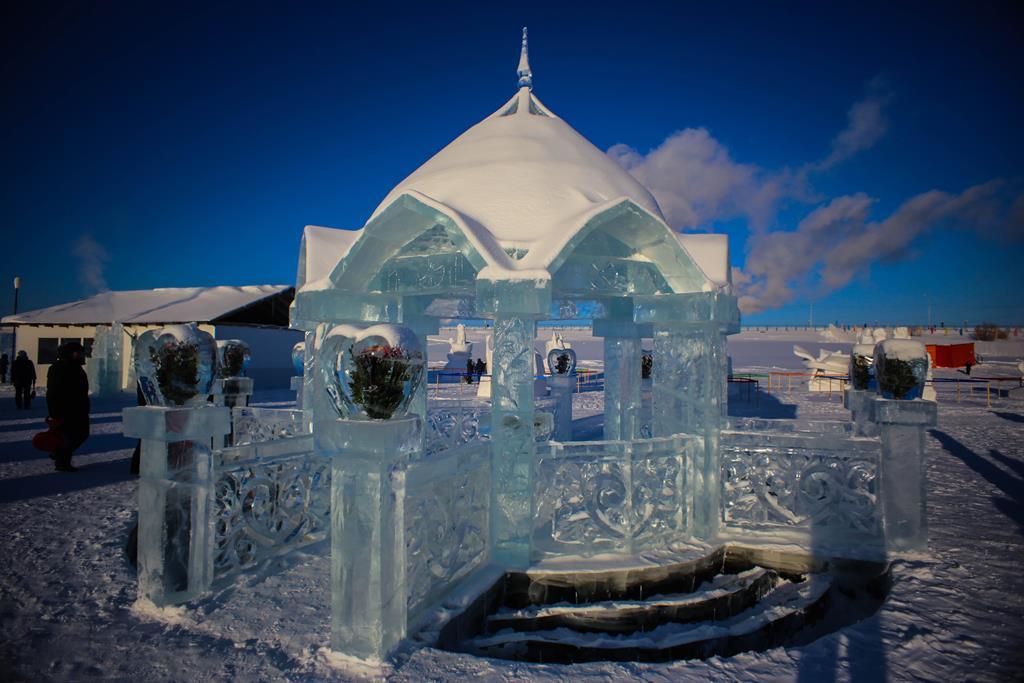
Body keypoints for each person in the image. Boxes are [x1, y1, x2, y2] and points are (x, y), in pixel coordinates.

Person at [46, 341, 90, 473]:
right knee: (72, 436)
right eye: (79, 353)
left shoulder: (74, 367)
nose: (82, 355)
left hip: (78, 408)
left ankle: (60, 455)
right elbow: (54, 392)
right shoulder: (61, 367)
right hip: (67, 410)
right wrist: (55, 412)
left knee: (79, 434)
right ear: (72, 354)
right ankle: (62, 461)